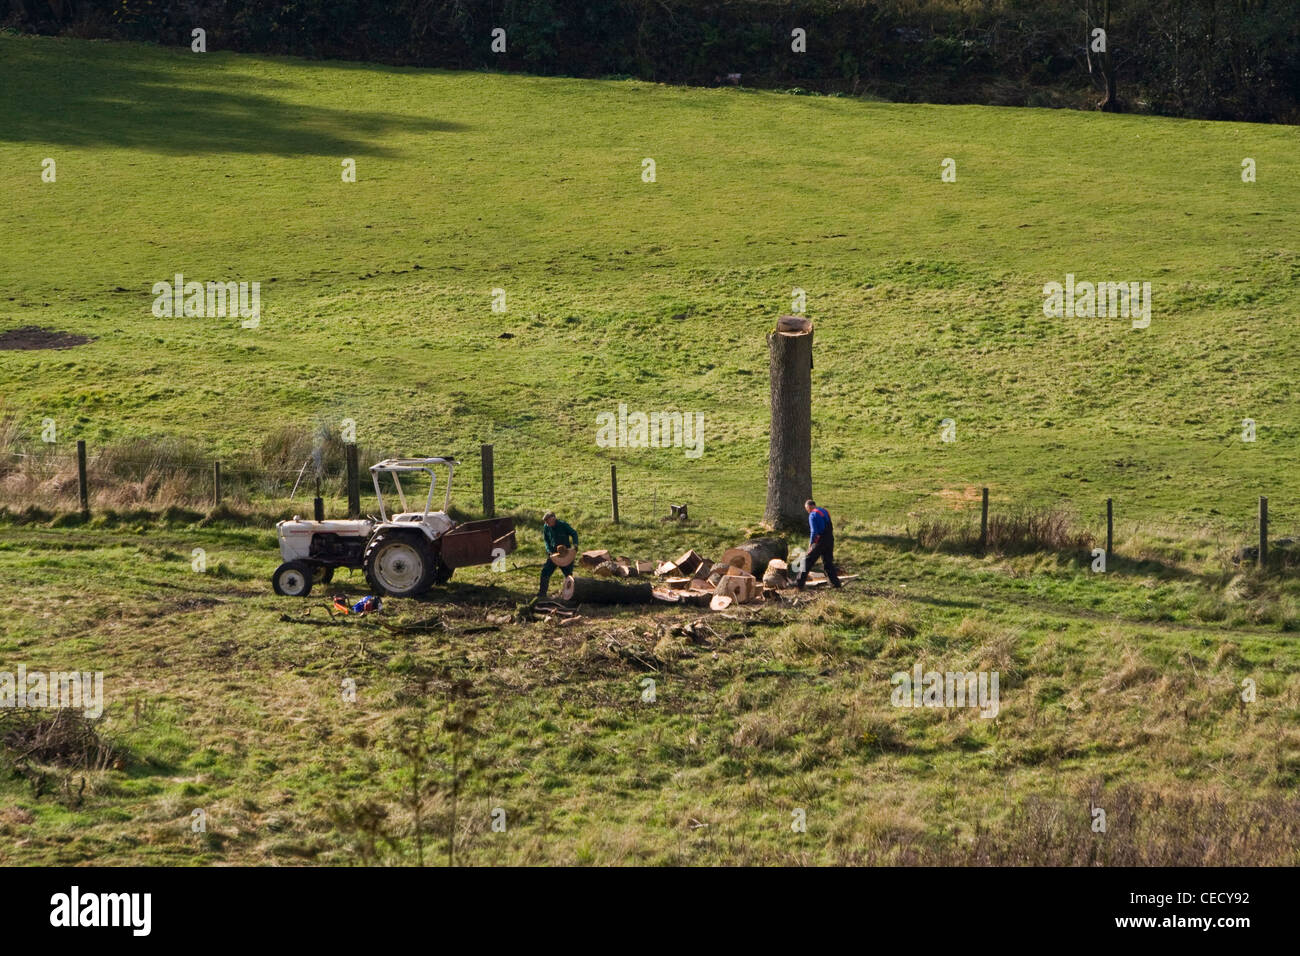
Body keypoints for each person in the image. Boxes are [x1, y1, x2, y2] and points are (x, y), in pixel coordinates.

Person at [795, 499, 842, 589]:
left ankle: (799, 583)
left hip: (820, 541)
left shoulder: (813, 515)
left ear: (809, 507)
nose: (807, 511)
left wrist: (811, 544)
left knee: (807, 561)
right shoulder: (824, 511)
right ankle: (835, 584)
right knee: (828, 562)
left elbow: (814, 531)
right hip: (830, 539)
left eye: (806, 509)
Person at [538, 510, 579, 598]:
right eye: (545, 522)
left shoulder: (563, 525)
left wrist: (575, 545)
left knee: (568, 576)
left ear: (553, 519)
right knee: (545, 572)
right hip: (553, 554)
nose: (546, 523)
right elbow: (546, 540)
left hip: (565, 554)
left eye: (548, 521)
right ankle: (542, 594)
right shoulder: (546, 527)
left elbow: (574, 533)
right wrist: (549, 550)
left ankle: (571, 595)